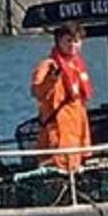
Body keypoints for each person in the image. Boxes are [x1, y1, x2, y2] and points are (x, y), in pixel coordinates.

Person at [30, 22, 93, 170]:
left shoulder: (78, 66)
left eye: (76, 41)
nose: (73, 46)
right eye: (68, 41)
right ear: (59, 42)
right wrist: (51, 80)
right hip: (58, 131)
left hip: (77, 130)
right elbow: (37, 91)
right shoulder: (48, 65)